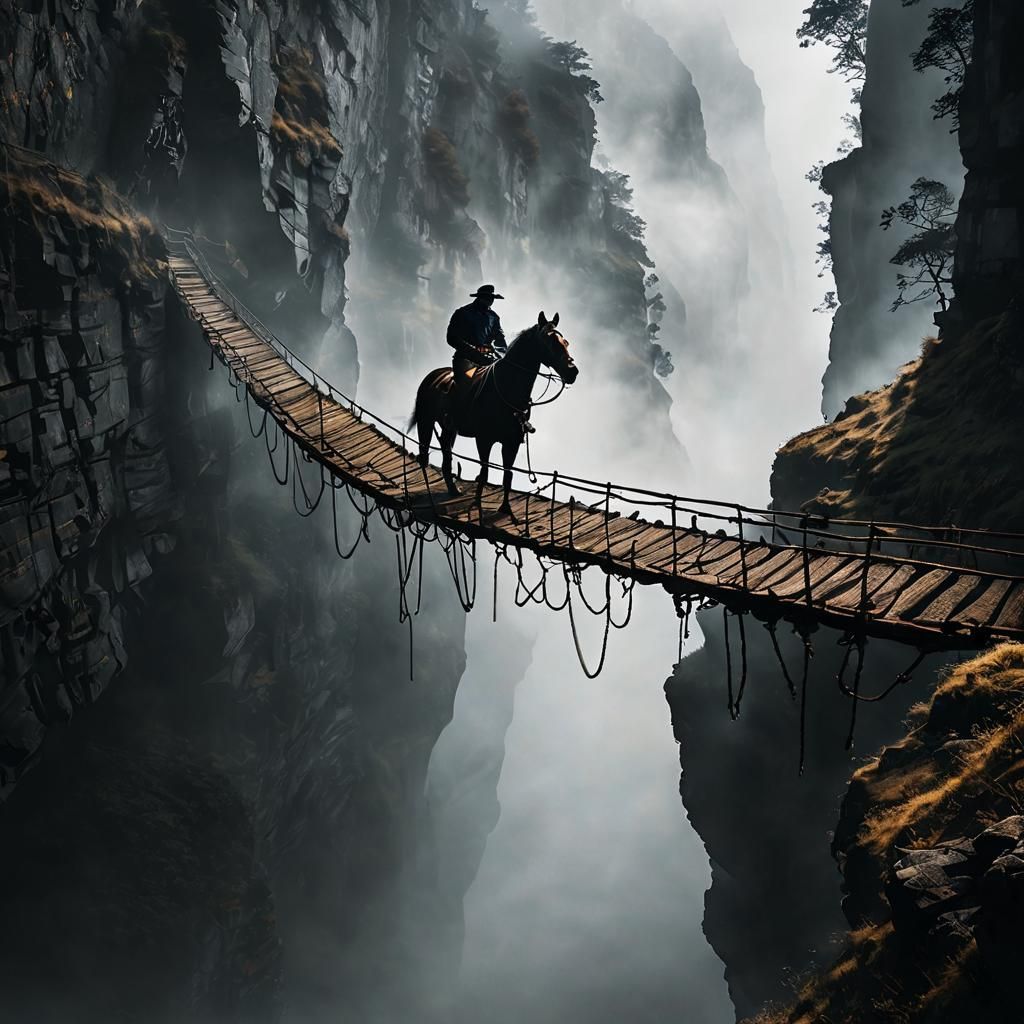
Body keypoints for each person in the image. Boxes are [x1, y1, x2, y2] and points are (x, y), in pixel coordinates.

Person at [446, 284, 508, 427]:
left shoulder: (493, 317)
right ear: (480, 298)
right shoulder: (462, 313)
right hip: (466, 361)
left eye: (491, 298)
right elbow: (452, 338)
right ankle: (452, 416)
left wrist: (501, 357)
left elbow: (500, 341)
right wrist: (474, 351)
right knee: (467, 382)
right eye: (487, 298)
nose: (490, 301)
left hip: (487, 362)